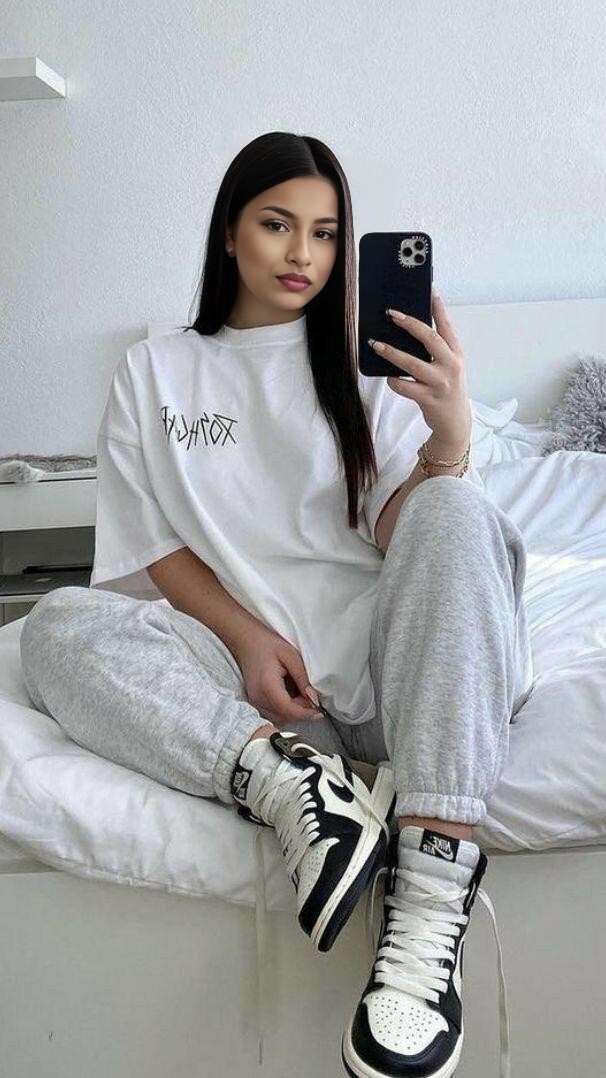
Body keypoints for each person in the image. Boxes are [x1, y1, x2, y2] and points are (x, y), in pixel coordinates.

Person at [19, 131, 533, 1078]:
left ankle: (429, 897)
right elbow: (155, 549)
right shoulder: (155, 370)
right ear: (229, 232)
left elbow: (411, 533)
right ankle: (290, 788)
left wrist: (450, 438)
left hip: (391, 675)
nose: (303, 254)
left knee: (461, 509)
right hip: (244, 687)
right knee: (56, 628)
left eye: (326, 233)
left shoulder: (365, 364)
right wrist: (250, 639)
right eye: (277, 225)